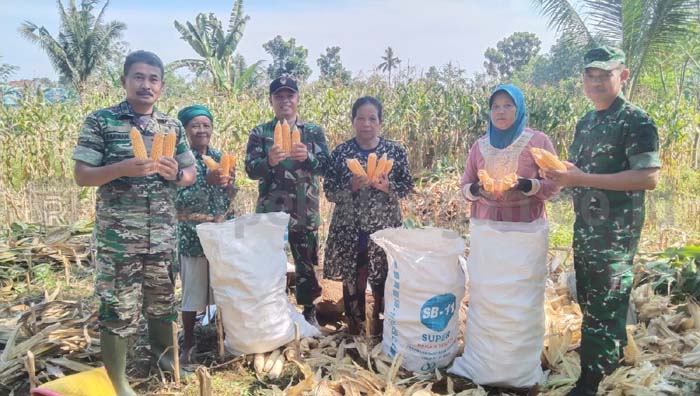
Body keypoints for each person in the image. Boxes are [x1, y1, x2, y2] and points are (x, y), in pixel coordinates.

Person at [72, 50, 195, 396]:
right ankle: (118, 380)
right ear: (124, 80)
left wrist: (178, 174)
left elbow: (190, 172)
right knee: (117, 308)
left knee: (162, 303)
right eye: (138, 77)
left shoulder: (171, 126)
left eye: (153, 79)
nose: (146, 84)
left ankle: (166, 365)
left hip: (161, 236)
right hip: (119, 239)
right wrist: (120, 169)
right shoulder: (101, 121)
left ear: (162, 86)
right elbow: (82, 175)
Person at [544, 46, 660, 396]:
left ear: (622, 76)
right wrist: (560, 174)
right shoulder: (586, 123)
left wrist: (582, 180)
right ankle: (608, 353)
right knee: (592, 297)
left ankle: (593, 380)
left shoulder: (635, 120)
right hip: (587, 227)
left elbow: (648, 177)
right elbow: (581, 172)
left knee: (608, 299)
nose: (595, 82)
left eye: (603, 75)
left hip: (615, 231)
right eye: (589, 76)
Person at [452, 84, 560, 390]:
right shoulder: (479, 146)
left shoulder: (537, 141)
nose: (501, 112)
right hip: (488, 234)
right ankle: (482, 363)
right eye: (495, 106)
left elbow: (555, 185)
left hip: (525, 233)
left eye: (507, 106)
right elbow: (465, 186)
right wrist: (478, 190)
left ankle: (520, 370)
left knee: (520, 300)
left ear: (520, 109)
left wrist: (528, 185)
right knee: (487, 298)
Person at [323, 96, 413, 336]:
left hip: (385, 229)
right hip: (351, 229)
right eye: (360, 118)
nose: (366, 124)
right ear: (353, 121)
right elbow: (330, 191)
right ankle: (356, 331)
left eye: (372, 118)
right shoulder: (341, 152)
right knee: (353, 282)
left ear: (380, 122)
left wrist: (387, 187)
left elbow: (406, 187)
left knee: (384, 279)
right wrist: (350, 185)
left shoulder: (394, 151)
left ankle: (383, 331)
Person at [244, 75, 329, 326]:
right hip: (271, 209)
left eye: (289, 95)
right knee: (270, 261)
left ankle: (309, 310)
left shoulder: (312, 131)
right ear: (271, 100)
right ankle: (273, 310)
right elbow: (250, 170)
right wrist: (268, 162)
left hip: (305, 208)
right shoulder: (260, 132)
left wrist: (309, 158)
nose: (285, 100)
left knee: (306, 264)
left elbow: (326, 166)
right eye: (279, 96)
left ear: (297, 98)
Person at [175, 104, 237, 364]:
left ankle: (223, 335)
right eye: (195, 126)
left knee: (223, 287)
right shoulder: (179, 160)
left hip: (220, 231)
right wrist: (205, 184)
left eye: (206, 125)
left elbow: (230, 196)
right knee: (193, 289)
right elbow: (176, 199)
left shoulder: (220, 156)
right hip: (192, 233)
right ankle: (189, 340)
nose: (202, 130)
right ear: (185, 130)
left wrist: (230, 186)